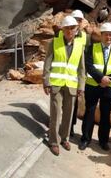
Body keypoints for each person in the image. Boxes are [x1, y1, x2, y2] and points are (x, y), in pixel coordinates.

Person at [42, 16, 86, 156]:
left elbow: (81, 69)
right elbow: (47, 64)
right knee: (55, 114)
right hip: (56, 84)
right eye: (66, 28)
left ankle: (64, 138)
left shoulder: (80, 45)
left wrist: (81, 86)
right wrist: (46, 82)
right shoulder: (54, 43)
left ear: (76, 29)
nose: (69, 31)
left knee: (68, 114)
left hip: (72, 85)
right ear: (62, 29)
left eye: (72, 28)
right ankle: (53, 142)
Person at [78, 22, 111, 151]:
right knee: (90, 112)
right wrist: (100, 78)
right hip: (93, 85)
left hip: (109, 87)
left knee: (105, 114)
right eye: (106, 35)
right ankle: (85, 139)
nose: (108, 37)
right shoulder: (92, 48)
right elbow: (89, 65)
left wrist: (110, 79)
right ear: (101, 35)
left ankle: (103, 141)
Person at [70, 9, 91, 137]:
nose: (77, 22)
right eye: (75, 19)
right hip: (65, 71)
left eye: (79, 20)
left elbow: (86, 55)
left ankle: (71, 126)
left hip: (77, 73)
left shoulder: (85, 37)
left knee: (74, 101)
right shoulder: (62, 34)